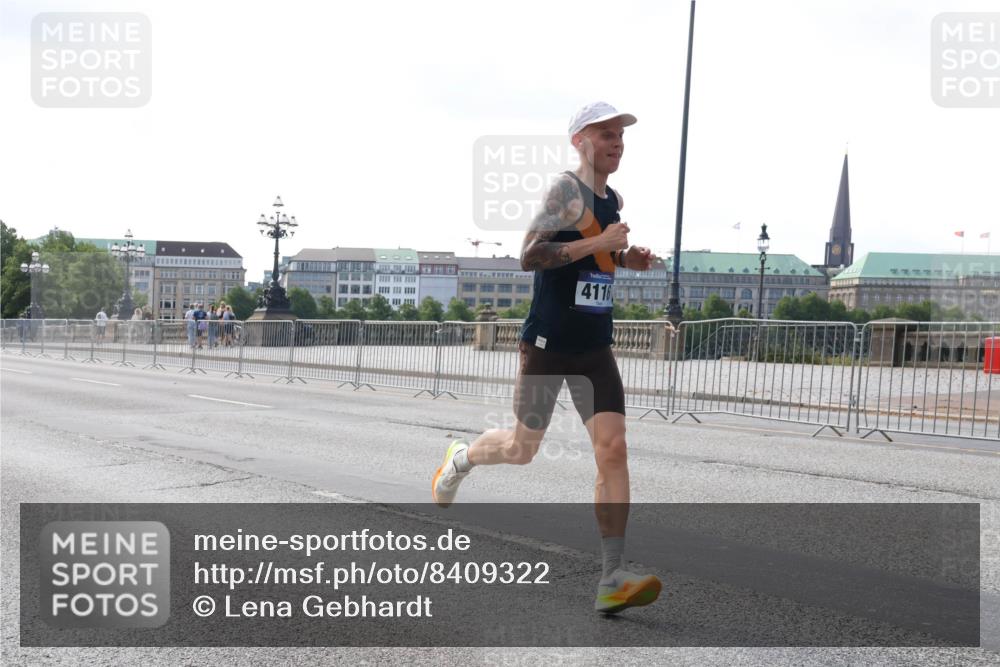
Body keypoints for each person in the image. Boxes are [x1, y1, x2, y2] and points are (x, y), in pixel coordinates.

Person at [432, 102, 660, 615]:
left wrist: (625, 257)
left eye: (620, 135)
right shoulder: (564, 192)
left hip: (594, 346)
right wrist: (602, 241)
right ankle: (461, 459)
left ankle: (612, 577)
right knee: (521, 448)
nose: (617, 142)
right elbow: (531, 255)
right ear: (579, 141)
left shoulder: (612, 199)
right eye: (606, 134)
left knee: (614, 449)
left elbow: (596, 255)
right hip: (548, 345)